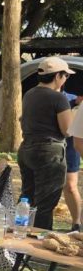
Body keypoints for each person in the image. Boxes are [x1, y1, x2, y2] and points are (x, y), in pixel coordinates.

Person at [19, 57, 75, 231]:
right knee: (45, 203)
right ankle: (39, 240)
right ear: (57, 76)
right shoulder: (58, 98)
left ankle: (19, 234)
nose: (66, 79)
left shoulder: (29, 94)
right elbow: (67, 130)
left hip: (27, 149)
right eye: (65, 75)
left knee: (27, 198)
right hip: (49, 152)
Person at [63, 92, 82, 232]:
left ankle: (76, 224)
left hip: (70, 147)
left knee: (70, 186)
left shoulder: (72, 100)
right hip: (49, 146)